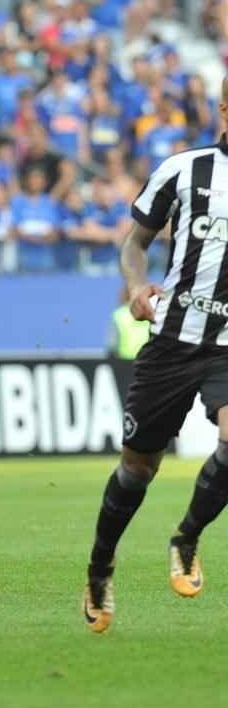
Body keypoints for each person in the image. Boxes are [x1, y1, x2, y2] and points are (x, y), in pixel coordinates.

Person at [82, 81, 228, 633]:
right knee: (139, 465)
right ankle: (100, 568)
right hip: (172, 339)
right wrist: (138, 285)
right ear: (223, 109)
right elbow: (134, 243)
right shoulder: (184, 169)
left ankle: (186, 538)